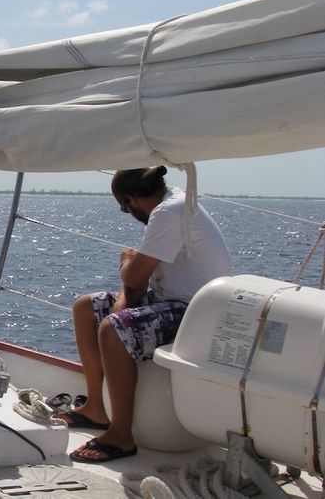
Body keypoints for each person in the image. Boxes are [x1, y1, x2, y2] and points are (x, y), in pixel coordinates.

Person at [58, 166, 231, 463]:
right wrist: (130, 285)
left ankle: (121, 435)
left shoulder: (167, 213)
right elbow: (136, 285)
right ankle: (96, 408)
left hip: (196, 312)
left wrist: (127, 263)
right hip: (170, 300)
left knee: (114, 329)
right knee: (85, 308)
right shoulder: (174, 202)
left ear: (130, 201)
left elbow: (135, 277)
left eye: (125, 210)